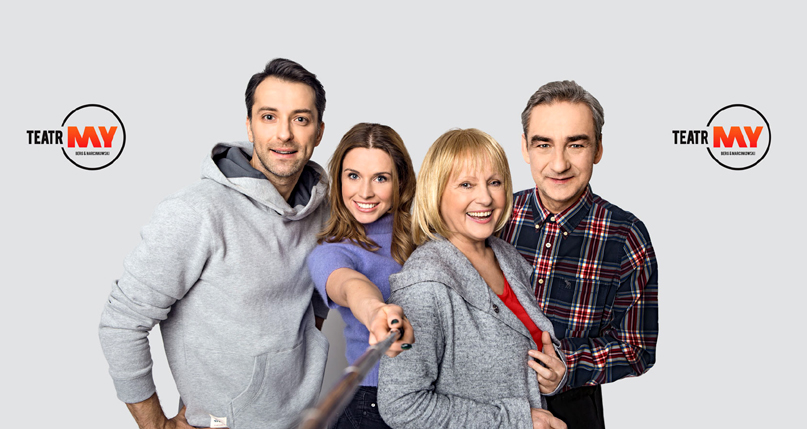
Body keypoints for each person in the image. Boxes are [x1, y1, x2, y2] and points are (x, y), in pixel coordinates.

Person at [99, 58, 331, 429]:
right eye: (269, 117)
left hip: (303, 419)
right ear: (250, 125)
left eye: (300, 119)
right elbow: (121, 323)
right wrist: (156, 425)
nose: (284, 134)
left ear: (318, 132)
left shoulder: (324, 210)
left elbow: (320, 290)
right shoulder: (196, 212)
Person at [378, 128, 568, 429]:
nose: (485, 197)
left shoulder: (508, 258)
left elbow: (520, 352)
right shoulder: (424, 285)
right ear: (436, 193)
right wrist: (515, 420)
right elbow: (402, 406)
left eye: (495, 182)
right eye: (466, 184)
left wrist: (553, 375)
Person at [499, 80, 659, 429]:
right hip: (486, 409)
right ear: (525, 148)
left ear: (598, 149)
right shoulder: (494, 217)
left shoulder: (626, 236)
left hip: (571, 414)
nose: (559, 164)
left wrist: (568, 366)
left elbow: (638, 348)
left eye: (576, 144)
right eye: (544, 144)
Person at [307, 122, 417, 429]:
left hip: (433, 399)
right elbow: (350, 286)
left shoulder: (426, 236)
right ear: (339, 179)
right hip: (373, 405)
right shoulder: (331, 251)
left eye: (380, 178)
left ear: (400, 181)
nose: (365, 192)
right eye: (353, 176)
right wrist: (376, 311)